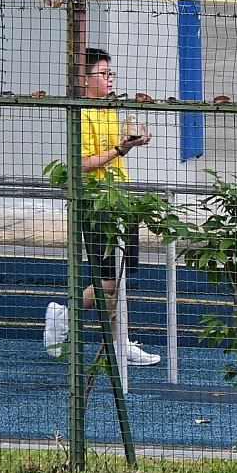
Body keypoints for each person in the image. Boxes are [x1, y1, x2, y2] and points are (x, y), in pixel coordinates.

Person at [42, 47, 161, 367]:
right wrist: (120, 149)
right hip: (98, 201)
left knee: (117, 277)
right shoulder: (81, 114)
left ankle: (114, 340)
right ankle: (69, 317)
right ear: (84, 78)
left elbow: (113, 151)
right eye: (103, 75)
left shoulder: (109, 109)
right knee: (109, 277)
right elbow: (80, 163)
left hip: (121, 197)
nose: (109, 80)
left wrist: (130, 142)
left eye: (111, 75)